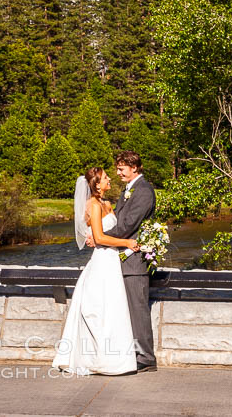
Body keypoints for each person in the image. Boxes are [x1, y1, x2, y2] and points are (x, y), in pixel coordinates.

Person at [51, 167, 140, 375]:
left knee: (113, 308)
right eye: (106, 177)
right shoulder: (93, 205)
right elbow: (99, 238)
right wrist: (127, 242)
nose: (110, 179)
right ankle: (98, 359)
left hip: (112, 260)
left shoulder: (107, 204)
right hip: (102, 261)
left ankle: (115, 359)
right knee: (99, 310)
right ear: (97, 184)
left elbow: (106, 232)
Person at [98, 151, 157, 372]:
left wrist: (100, 239)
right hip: (122, 257)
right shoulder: (128, 190)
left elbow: (128, 226)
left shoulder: (143, 191)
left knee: (137, 309)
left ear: (134, 167)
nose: (118, 172)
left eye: (122, 168)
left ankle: (146, 358)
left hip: (135, 262)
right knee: (127, 310)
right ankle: (130, 353)